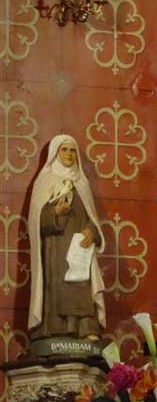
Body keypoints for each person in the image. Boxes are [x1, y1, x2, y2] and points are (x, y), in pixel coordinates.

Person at [28, 135, 106, 340]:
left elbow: (92, 218)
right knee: (59, 287)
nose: (69, 154)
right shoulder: (45, 180)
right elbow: (36, 222)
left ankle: (86, 330)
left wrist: (91, 231)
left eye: (72, 150)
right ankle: (56, 332)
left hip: (80, 249)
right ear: (56, 153)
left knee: (82, 286)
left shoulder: (82, 182)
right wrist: (55, 213)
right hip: (56, 249)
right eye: (64, 150)